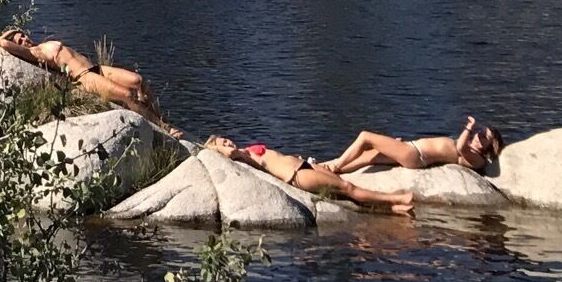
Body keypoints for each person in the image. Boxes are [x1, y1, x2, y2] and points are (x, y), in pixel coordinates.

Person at [0, 28, 177, 132]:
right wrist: (6, 35)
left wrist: (15, 30)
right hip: (84, 78)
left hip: (97, 68)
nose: (24, 39)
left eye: (22, 35)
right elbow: (0, 43)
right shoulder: (35, 53)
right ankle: (163, 128)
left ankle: (159, 117)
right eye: (19, 40)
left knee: (137, 81)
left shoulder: (43, 44)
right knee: (127, 95)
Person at [204, 136, 416, 213]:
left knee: (343, 188)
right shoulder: (239, 156)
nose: (228, 142)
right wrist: (215, 147)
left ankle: (392, 209)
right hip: (297, 175)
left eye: (226, 139)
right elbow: (229, 153)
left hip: (304, 164)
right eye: (223, 143)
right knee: (348, 189)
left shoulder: (246, 150)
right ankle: (395, 198)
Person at [323, 118, 503, 176]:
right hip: (411, 150)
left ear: (490, 144)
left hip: (414, 154)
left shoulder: (477, 159)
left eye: (482, 135)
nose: (477, 135)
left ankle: (336, 165)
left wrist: (468, 127)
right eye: (478, 132)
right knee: (369, 157)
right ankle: (336, 171)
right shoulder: (473, 152)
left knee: (365, 136)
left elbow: (462, 147)